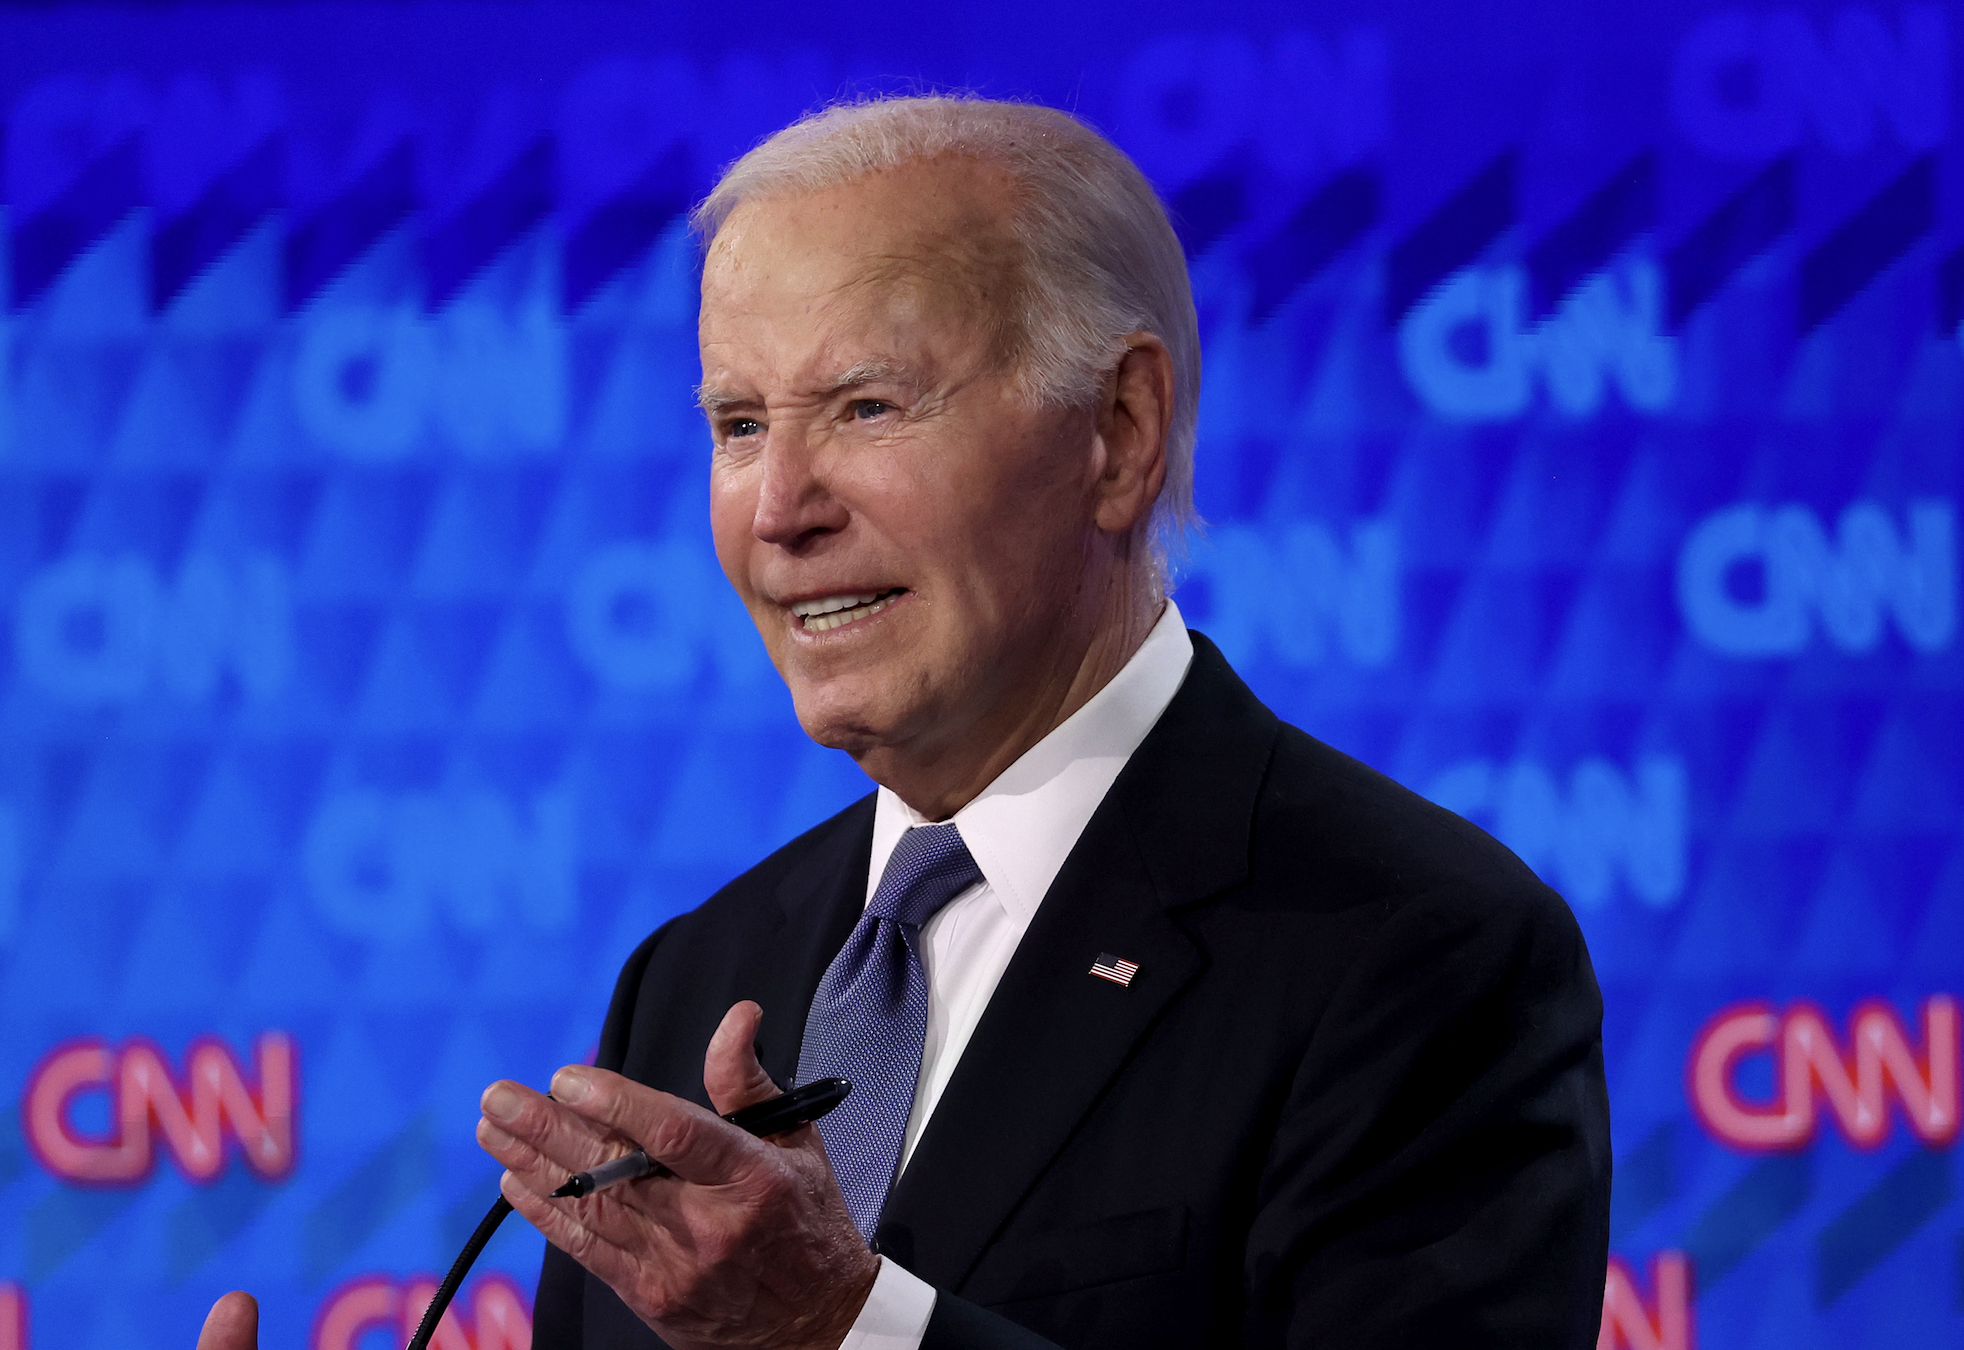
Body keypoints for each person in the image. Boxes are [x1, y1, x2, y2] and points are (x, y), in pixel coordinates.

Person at [197, 95, 1609, 1350]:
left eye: (867, 406)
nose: (779, 509)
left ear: (1117, 432)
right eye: (739, 423)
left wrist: (846, 1329)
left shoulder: (1418, 952)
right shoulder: (692, 978)